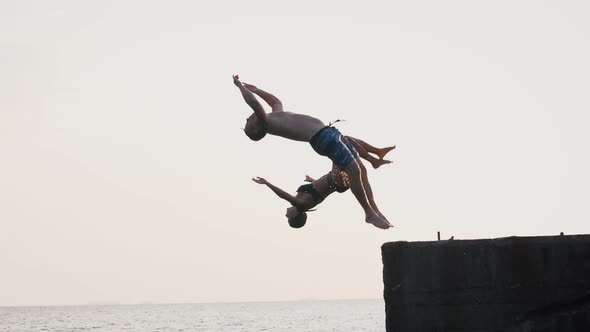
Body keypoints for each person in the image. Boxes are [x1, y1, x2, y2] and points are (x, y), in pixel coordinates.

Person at [233, 74, 393, 229]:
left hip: (327, 134)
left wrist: (256, 89)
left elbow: (275, 101)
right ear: (257, 127)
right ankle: (368, 212)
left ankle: (375, 209)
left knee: (360, 169)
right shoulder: (266, 122)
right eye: (248, 122)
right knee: (354, 171)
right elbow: (254, 103)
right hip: (322, 139)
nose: (247, 118)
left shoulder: (275, 117)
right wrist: (240, 87)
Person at [252, 139, 395, 228]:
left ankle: (376, 155)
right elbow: (282, 195)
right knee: (342, 141)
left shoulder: (304, 202)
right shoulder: (300, 205)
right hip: (336, 178)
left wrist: (312, 181)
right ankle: (375, 158)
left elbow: (322, 190)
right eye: (288, 217)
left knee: (345, 141)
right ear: (294, 216)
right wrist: (266, 183)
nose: (286, 214)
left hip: (337, 181)